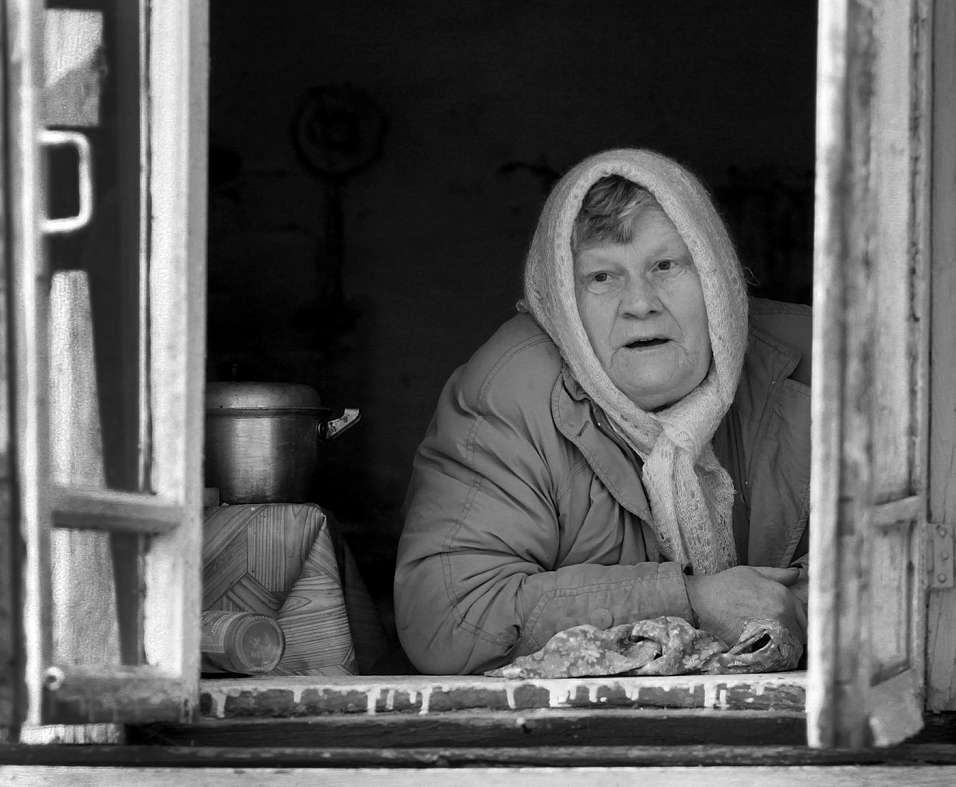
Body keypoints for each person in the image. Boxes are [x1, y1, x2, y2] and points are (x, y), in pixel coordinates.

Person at [394, 148, 811, 675]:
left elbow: (908, 559)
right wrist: (691, 601)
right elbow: (453, 620)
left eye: (666, 265)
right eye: (602, 277)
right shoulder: (509, 390)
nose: (640, 303)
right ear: (561, 302)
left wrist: (801, 605)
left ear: (717, 277)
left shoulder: (821, 365)